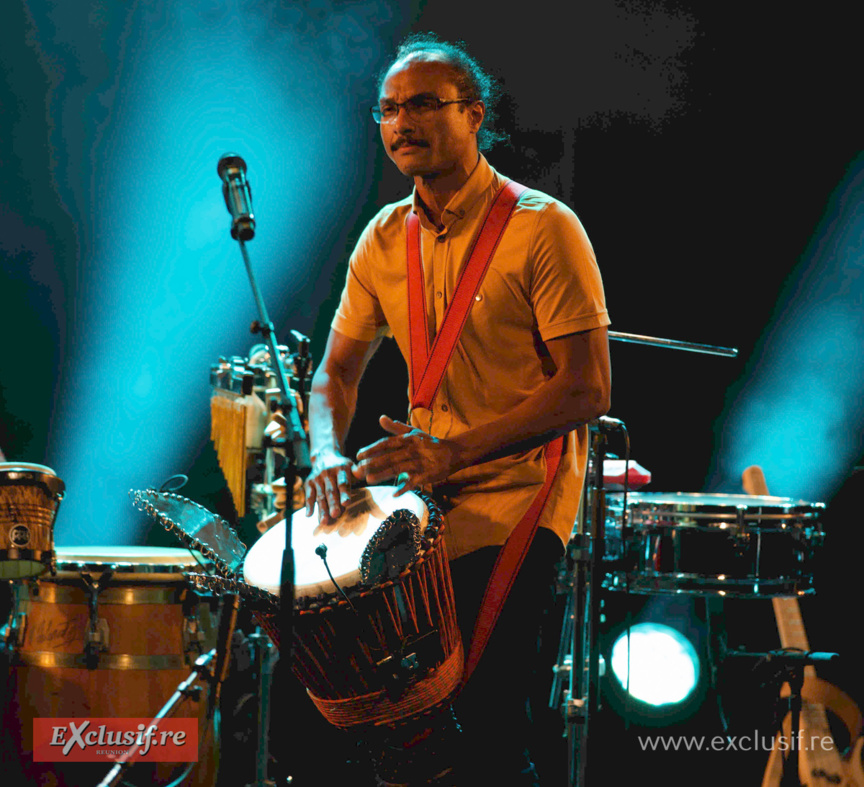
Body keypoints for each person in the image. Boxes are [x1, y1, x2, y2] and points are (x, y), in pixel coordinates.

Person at [303, 33, 611, 785]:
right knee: (407, 732)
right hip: (427, 507)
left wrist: (453, 452)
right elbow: (333, 374)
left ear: (474, 114)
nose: (401, 122)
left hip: (520, 502)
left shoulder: (544, 226)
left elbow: (588, 388)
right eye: (387, 109)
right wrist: (327, 454)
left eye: (422, 105)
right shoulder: (382, 237)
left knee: (490, 723)